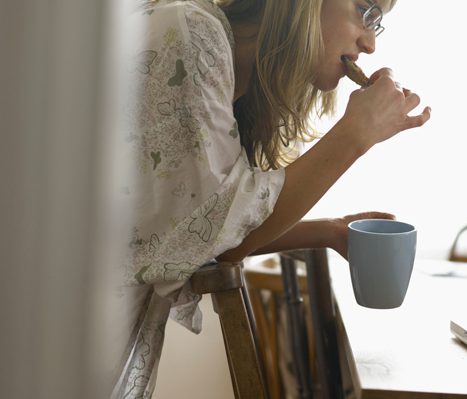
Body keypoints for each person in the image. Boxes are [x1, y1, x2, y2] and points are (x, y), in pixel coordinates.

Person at [114, 0, 430, 397]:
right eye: (366, 11)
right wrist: (354, 135)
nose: (370, 44)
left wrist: (329, 232)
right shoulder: (190, 35)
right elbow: (213, 227)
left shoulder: (226, 69)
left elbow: (203, 231)